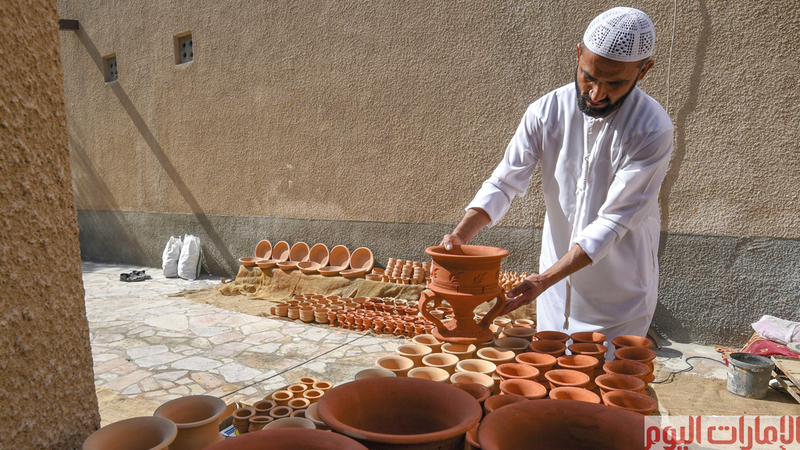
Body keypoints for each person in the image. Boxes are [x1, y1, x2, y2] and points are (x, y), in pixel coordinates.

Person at [441, 7, 672, 352]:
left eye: (615, 83)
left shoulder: (652, 129)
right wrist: (460, 235)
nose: (596, 94)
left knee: (604, 386)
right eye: (589, 76)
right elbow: (505, 182)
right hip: (552, 291)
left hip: (618, 299)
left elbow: (611, 222)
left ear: (645, 70)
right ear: (578, 54)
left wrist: (544, 279)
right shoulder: (546, 112)